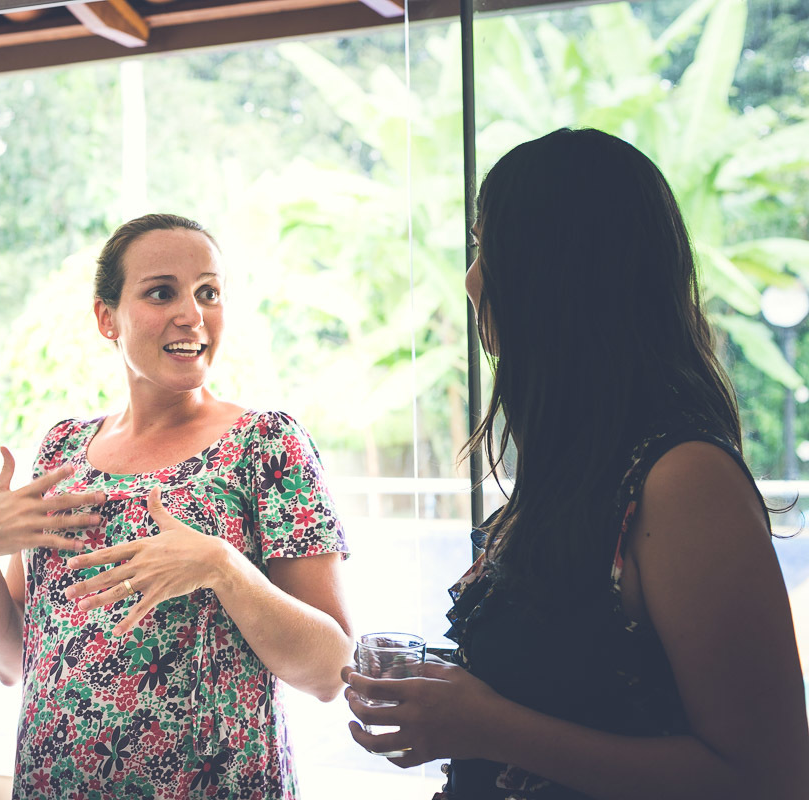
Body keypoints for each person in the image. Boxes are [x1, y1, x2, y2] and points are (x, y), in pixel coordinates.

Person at [343, 128, 809, 799]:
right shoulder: (581, 467)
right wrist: (447, 699)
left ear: (560, 269)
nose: (472, 279)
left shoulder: (683, 480)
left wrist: (486, 725)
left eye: (485, 248)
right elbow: (591, 685)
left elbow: (769, 778)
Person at [0, 213, 353, 799]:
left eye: (208, 293)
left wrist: (222, 566)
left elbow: (330, 672)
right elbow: (13, 661)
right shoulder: (63, 450)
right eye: (161, 292)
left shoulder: (266, 444)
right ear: (106, 318)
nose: (192, 314)